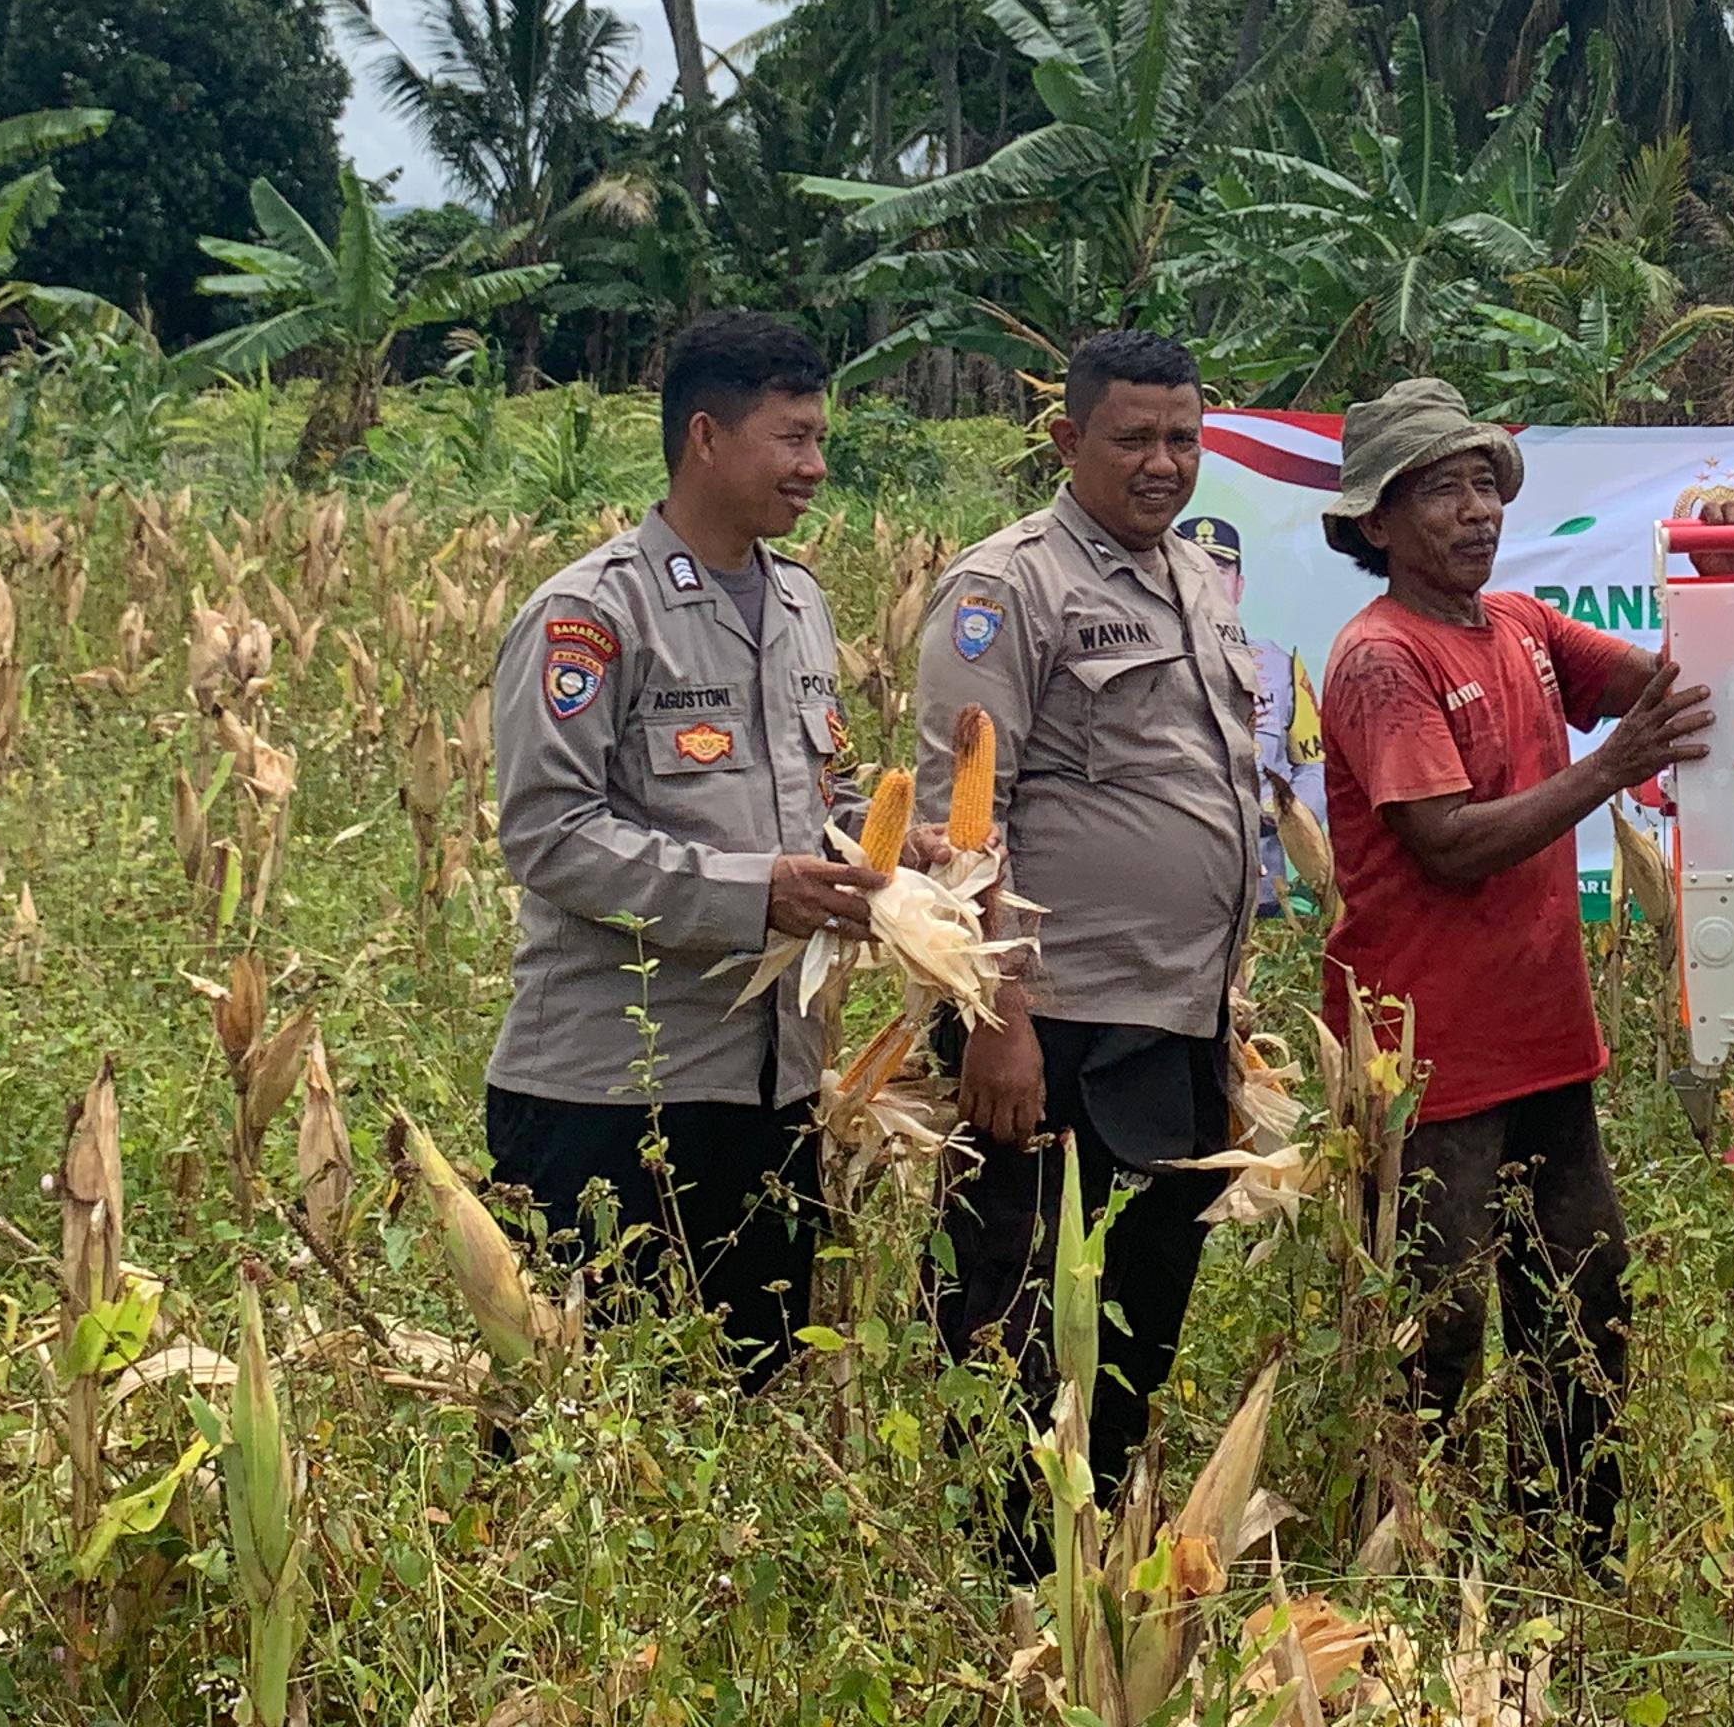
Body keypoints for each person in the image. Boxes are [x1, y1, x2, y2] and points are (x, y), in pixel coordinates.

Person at [1314, 378, 1713, 1566]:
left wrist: (1719, 575)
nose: (1477, 509)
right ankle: (1410, 1569)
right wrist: (1609, 772)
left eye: (1486, 483)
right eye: (1443, 490)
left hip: (1543, 1042)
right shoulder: (1381, 658)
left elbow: (1665, 683)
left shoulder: (1524, 627)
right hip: (1424, 1058)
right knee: (1434, 1326)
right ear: (1378, 520)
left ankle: (1566, 1555)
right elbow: (1445, 843)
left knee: (1585, 1295)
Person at [919, 329, 1271, 1575]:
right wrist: (997, 1018)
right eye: (1133, 439)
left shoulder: (1198, 579)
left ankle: (1093, 1565)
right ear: (1069, 440)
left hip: (1176, 1022)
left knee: (1139, 1313)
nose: (1163, 462)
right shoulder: (1008, 587)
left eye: (1183, 438)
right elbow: (962, 818)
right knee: (1019, 1318)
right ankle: (1003, 1582)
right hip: (1055, 1027)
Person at [482, 309, 884, 1385]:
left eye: (819, 439)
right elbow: (549, 835)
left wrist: (884, 845)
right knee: (582, 1409)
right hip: (611, 1094)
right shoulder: (591, 614)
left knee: (748, 1399)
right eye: (792, 438)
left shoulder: (800, 603)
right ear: (706, 437)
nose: (815, 466)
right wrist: (757, 895)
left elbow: (815, 795)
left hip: (774, 1088)